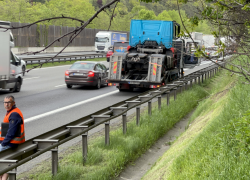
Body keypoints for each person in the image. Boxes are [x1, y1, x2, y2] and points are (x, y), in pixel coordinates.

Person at [0, 95, 25, 180]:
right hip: (11, 142)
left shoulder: (14, 114)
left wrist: (3, 144)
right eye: (5, 102)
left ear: (13, 103)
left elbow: (11, 132)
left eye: (9, 102)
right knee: (6, 164)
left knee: (3, 162)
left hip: (10, 143)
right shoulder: (11, 112)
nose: (6, 104)